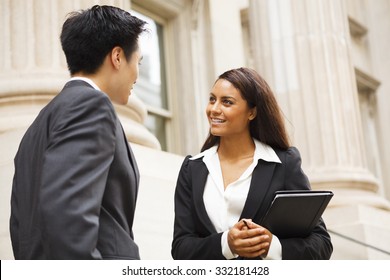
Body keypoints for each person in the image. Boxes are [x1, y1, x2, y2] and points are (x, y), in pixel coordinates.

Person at [9, 5, 147, 259]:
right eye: (137, 62)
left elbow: (21, 228)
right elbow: (68, 215)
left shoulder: (37, 127)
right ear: (117, 57)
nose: (137, 75)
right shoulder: (91, 106)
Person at [171, 67, 333, 260]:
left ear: (252, 112)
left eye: (227, 102)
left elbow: (321, 244)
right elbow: (181, 248)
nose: (214, 109)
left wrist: (271, 247)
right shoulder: (192, 169)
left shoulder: (283, 164)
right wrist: (227, 244)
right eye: (212, 99)